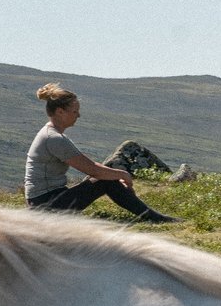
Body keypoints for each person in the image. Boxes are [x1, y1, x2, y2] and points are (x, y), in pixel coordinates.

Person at [24, 84, 176, 222]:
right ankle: (153, 217)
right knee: (105, 180)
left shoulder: (51, 134)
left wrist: (114, 174)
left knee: (104, 177)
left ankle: (151, 216)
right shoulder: (54, 138)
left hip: (45, 200)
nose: (78, 115)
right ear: (60, 112)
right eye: (75, 111)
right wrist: (124, 175)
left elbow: (92, 168)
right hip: (45, 205)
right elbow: (92, 170)